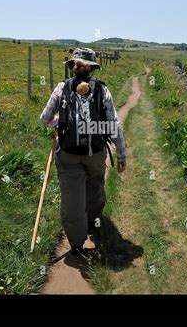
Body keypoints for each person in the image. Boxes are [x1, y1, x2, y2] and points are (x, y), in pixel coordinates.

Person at [40, 48, 126, 256]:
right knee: (95, 186)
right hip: (95, 153)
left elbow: (44, 118)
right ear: (92, 69)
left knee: (71, 197)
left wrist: (58, 126)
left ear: (72, 67)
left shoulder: (62, 88)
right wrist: (122, 154)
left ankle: (77, 242)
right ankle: (92, 221)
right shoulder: (102, 90)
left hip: (68, 153)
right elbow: (113, 124)